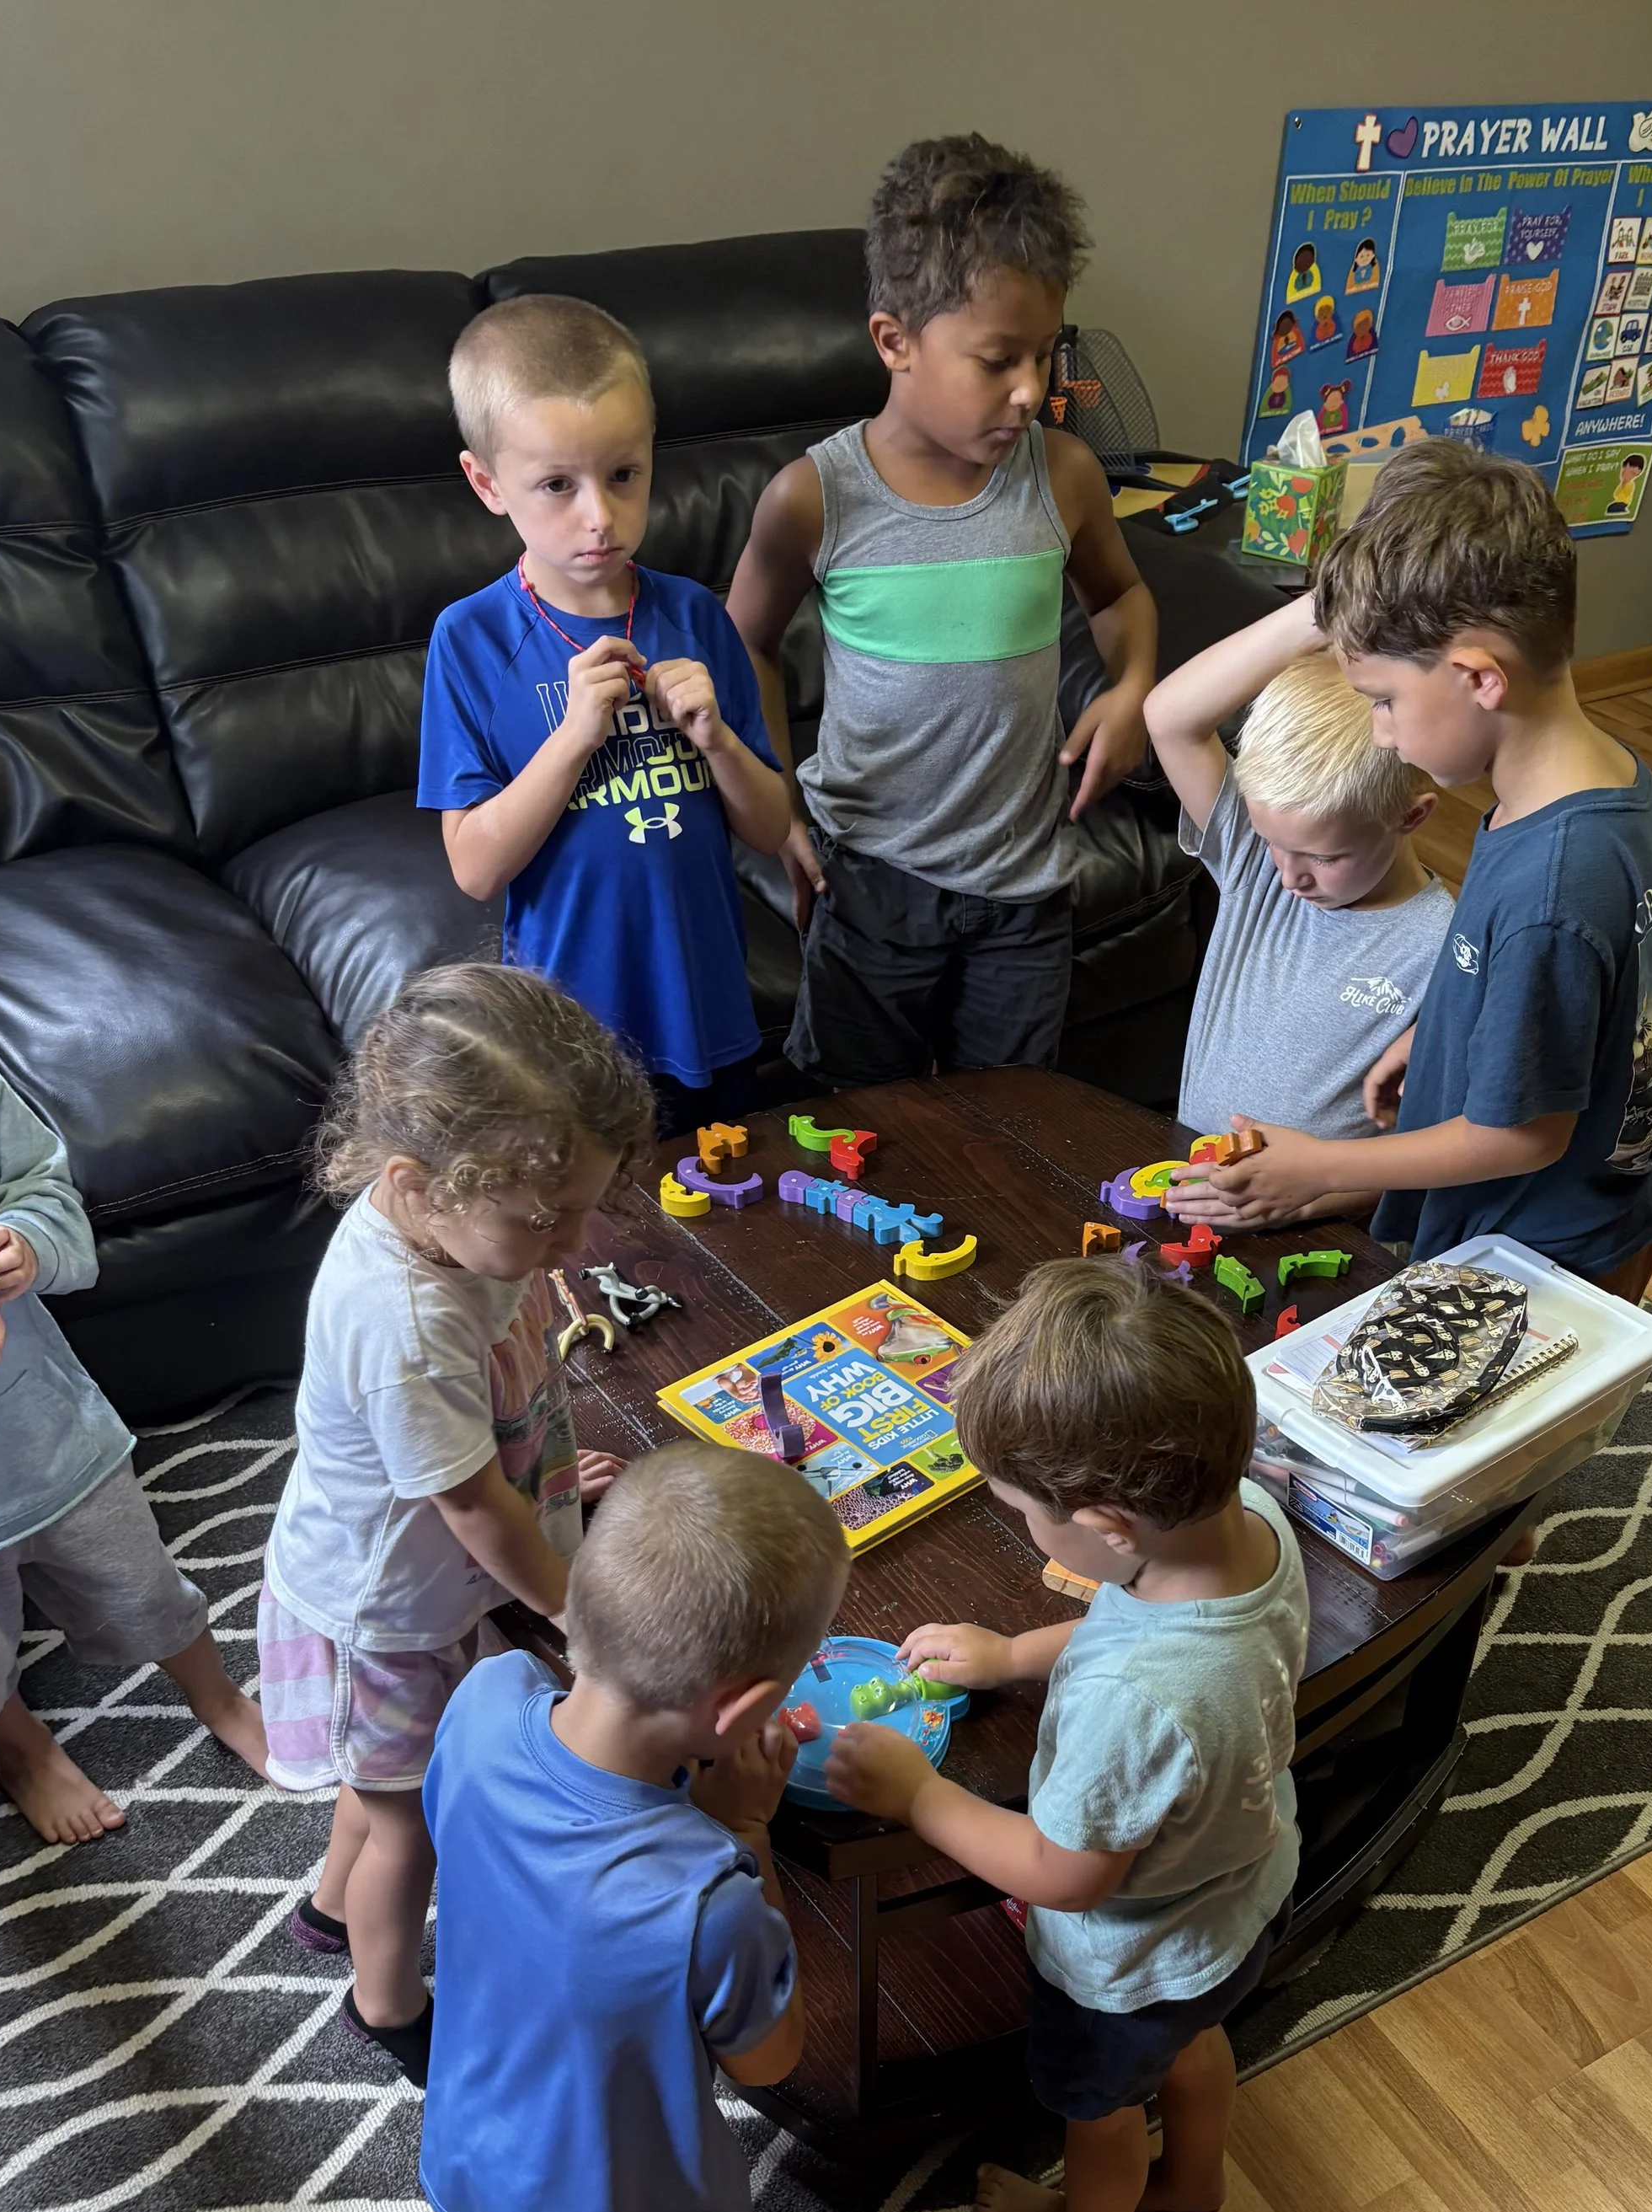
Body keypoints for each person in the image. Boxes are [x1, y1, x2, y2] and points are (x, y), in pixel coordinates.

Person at [233, 1443, 847, 2212]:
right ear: (744, 1715)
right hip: (621, 2211)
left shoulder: (486, 1696)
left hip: (475, 2127)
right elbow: (776, 2062)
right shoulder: (707, 1897)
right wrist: (743, 1826)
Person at [825, 1261, 1307, 2212]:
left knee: (1097, 2111)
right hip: (1238, 1897)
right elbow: (1125, 1613)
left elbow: (1060, 1872)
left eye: (1019, 1512)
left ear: (1107, 1525)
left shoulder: (1137, 1702)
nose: (1020, 1527)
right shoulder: (1247, 1519)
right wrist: (1009, 1656)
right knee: (1192, 2040)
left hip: (1129, 1964)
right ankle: (1198, 2179)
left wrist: (920, 1795)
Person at [1169, 440, 1652, 1317]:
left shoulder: (1552, 885)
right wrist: (1444, 1031)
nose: (1380, 734)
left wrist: (1319, 1167)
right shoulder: (1584, 787)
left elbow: (1521, 1135)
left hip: (1537, 1262)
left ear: (1479, 677)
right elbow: (1574, 1003)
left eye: (1383, 700)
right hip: (1555, 1228)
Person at [258, 964, 650, 2084]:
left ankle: (331, 1911)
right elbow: (473, 1504)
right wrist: (578, 1613)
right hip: (376, 1610)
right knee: (408, 1821)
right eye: (547, 1218)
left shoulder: (467, 1240)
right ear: (417, 1183)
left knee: (380, 1786)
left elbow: (495, 1450)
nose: (573, 1242)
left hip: (432, 1585)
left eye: (584, 1207)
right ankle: (385, 2007)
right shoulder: (403, 1316)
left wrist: (555, 1479)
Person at [727, 132, 1157, 1087]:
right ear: (895, 342)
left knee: (1010, 1128)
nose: (1031, 392)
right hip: (870, 881)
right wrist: (780, 806)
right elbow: (744, 643)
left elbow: (1121, 595)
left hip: (1027, 890)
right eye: (998, 360)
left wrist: (1130, 688)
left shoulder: (1067, 477)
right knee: (854, 1129)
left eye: (1046, 356)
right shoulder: (814, 498)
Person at [418, 296, 791, 1138]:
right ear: (487, 484)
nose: (599, 516)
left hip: (708, 1011)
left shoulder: (696, 617)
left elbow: (769, 828)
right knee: (592, 1248)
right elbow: (475, 867)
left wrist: (717, 739)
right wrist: (572, 740)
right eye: (557, 485)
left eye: (624, 474)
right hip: (570, 1041)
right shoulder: (471, 640)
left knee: (729, 1228)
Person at [0, 1020, 267, 1842]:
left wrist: (30, 1247)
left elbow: (46, 1192)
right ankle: (22, 1747)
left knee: (144, 1590)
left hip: (50, 1438)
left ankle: (216, 1694)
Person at [1145, 596, 1452, 1218]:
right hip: (1192, 1201)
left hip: (1322, 1230)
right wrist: (1331, 604)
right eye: (1271, 843)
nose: (1288, 877)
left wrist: (1312, 1199)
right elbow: (1170, 715)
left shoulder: (1446, 946)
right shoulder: (1257, 862)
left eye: (1323, 857)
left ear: (1411, 815)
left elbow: (1439, 1157)